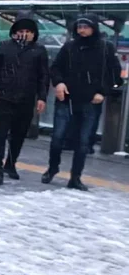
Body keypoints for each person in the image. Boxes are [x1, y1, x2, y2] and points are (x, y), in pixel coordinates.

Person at [42, 14, 124, 191]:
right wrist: (59, 82)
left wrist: (103, 91)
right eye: (79, 27)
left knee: (84, 142)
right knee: (57, 138)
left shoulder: (105, 48)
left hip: (91, 101)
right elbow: (55, 68)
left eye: (86, 27)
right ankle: (52, 168)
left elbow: (115, 74)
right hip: (67, 100)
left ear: (94, 28)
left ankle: (75, 177)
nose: (82, 30)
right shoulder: (70, 47)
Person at [0, 12, 49, 186]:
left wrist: (42, 97)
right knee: (0, 133)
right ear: (15, 32)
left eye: (28, 31)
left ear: (34, 33)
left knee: (19, 135)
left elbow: (43, 76)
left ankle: (11, 164)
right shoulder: (4, 47)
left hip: (26, 99)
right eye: (21, 30)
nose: (24, 34)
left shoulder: (39, 51)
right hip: (4, 96)